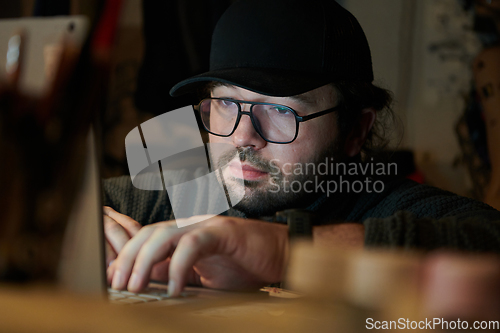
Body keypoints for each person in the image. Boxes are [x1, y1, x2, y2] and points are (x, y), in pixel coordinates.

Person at [103, 0, 500, 297]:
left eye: (279, 109)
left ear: (355, 130)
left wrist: (283, 249)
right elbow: (91, 201)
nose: (243, 137)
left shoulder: (380, 202)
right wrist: (84, 223)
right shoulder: (188, 193)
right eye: (225, 103)